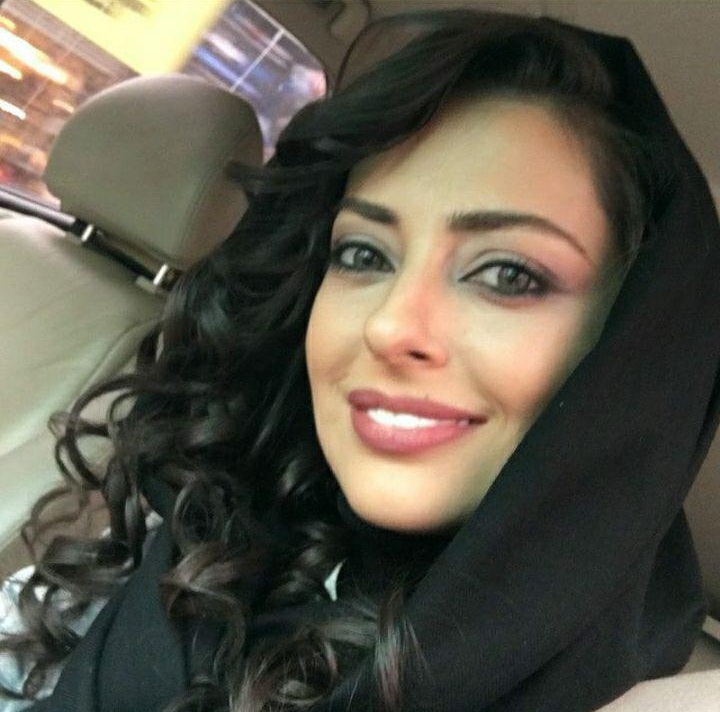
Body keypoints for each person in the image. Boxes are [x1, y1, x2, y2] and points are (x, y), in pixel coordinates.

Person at [1, 7, 719, 712]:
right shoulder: (212, 529)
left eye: (508, 274)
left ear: (633, 347)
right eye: (363, 255)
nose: (389, 326)